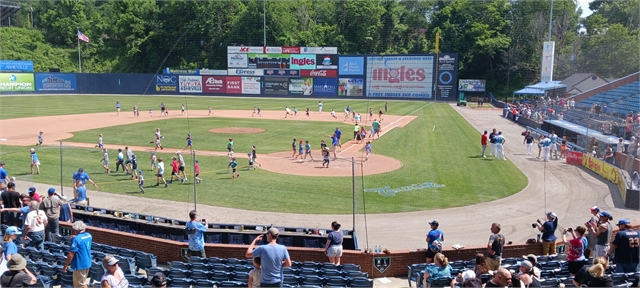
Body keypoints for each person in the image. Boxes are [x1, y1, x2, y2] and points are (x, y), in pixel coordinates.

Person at [63, 221, 92, 288]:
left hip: (79, 264)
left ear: (75, 230)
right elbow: (82, 239)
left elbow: (71, 254)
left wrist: (65, 265)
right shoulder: (89, 235)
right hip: (87, 262)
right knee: (82, 282)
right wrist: (76, 236)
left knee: (80, 285)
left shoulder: (76, 239)